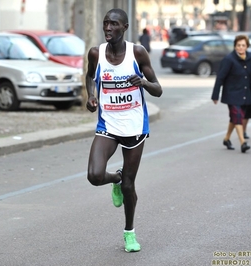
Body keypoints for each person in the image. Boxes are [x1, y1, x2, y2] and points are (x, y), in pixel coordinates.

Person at [85, 8, 162, 252]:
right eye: (106, 23)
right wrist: (91, 95)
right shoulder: (96, 53)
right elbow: (89, 77)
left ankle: (129, 233)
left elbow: (158, 89)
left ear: (125, 27)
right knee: (94, 176)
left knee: (130, 186)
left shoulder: (137, 53)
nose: (108, 28)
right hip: (108, 124)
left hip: (135, 126)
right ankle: (114, 178)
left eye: (114, 24)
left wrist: (144, 83)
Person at [211, 35, 251, 153]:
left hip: (245, 93)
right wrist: (215, 95)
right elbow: (220, 78)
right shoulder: (229, 59)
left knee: (234, 118)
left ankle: (226, 139)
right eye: (238, 45)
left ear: (247, 46)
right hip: (232, 94)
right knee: (238, 117)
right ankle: (243, 142)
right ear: (235, 46)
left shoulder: (250, 58)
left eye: (243, 45)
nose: (241, 48)